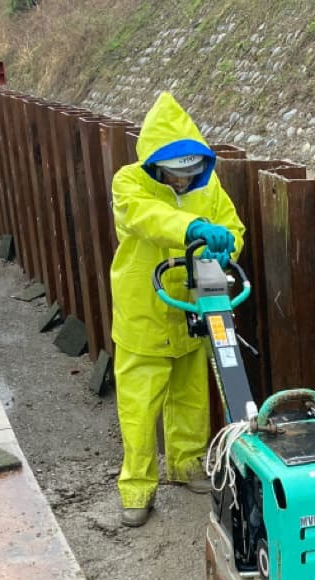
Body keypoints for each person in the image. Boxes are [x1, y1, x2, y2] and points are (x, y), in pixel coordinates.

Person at [109, 92, 245, 528]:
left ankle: (187, 465)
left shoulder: (210, 187)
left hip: (191, 309)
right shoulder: (129, 183)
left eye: (191, 172)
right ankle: (136, 488)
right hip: (145, 314)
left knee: (190, 396)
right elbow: (148, 217)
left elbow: (232, 227)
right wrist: (193, 227)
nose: (184, 181)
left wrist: (227, 246)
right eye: (175, 173)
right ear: (155, 164)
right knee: (140, 407)